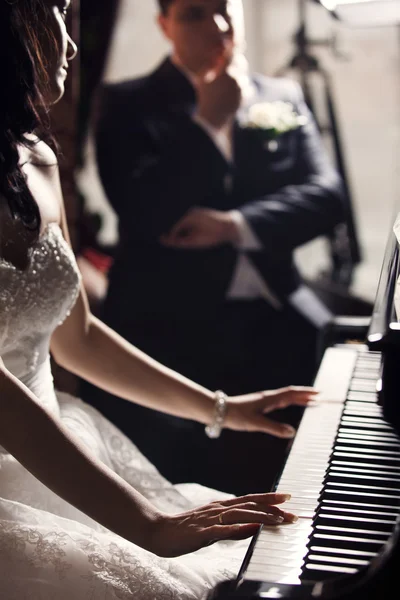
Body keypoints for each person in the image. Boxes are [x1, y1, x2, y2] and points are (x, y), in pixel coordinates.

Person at [0, 1, 319, 597]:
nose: (72, 43)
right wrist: (146, 524)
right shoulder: (128, 105)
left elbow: (80, 339)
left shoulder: (39, 160)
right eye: (55, 13)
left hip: (63, 457)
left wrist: (221, 408)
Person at [88, 0, 345, 494]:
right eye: (195, 13)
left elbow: (327, 197)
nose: (219, 26)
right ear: (164, 25)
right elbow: (144, 210)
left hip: (277, 310)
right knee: (182, 479)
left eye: (227, 9)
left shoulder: (281, 94)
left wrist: (234, 225)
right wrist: (207, 122)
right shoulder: (125, 102)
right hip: (168, 325)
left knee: (331, 437)